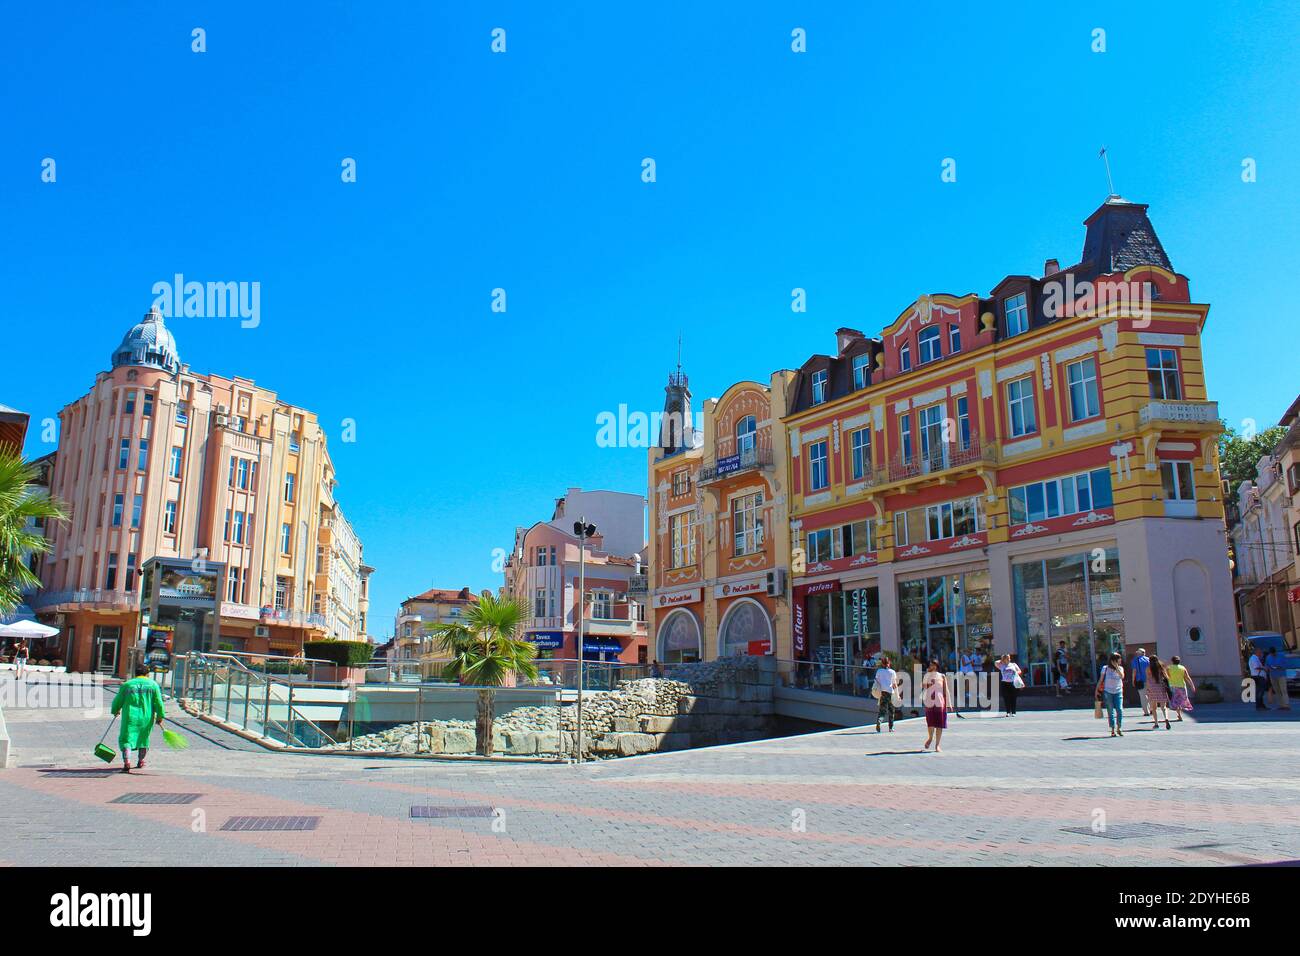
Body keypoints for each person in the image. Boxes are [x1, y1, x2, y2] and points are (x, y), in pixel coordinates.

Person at [110, 663, 166, 773]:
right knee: (143, 738)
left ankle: (127, 762)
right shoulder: (153, 685)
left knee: (127, 738)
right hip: (147, 717)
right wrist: (160, 716)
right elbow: (159, 703)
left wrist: (115, 710)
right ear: (147, 674)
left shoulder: (127, 685)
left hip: (130, 717)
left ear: (135, 673)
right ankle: (141, 761)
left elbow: (118, 700)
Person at [921, 659, 949, 752]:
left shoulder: (942, 676)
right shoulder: (927, 675)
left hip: (940, 702)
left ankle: (937, 745)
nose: (930, 666)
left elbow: (946, 690)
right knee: (930, 723)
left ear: (936, 666)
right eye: (930, 665)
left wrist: (949, 703)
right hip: (929, 702)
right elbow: (924, 686)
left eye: (932, 665)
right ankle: (930, 738)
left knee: (939, 725)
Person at [1095, 652, 1126, 737]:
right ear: (1113, 660)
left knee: (1119, 709)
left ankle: (1119, 728)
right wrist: (1096, 690)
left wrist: (1116, 667)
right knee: (1110, 710)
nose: (1120, 660)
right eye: (1118, 659)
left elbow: (1122, 676)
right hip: (1108, 691)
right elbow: (1101, 680)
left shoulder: (1120, 668)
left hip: (1118, 691)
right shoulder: (1105, 668)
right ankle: (1112, 729)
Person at [873, 655, 900, 733]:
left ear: (882, 663)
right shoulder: (892, 672)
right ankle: (891, 728)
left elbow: (876, 681)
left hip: (883, 692)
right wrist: (897, 695)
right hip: (890, 693)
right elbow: (894, 684)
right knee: (891, 710)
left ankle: (879, 721)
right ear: (889, 663)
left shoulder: (879, 671)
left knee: (882, 710)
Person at [1165, 655, 1195, 723]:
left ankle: (1179, 714)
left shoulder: (1169, 668)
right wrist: (1192, 685)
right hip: (1182, 686)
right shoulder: (1182, 668)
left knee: (1175, 701)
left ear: (1172, 661)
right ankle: (1179, 714)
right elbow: (1187, 677)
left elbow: (1166, 676)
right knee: (1181, 700)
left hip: (1173, 686)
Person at [1146, 656, 1172, 729]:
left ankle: (1156, 723)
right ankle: (1166, 719)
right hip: (1161, 687)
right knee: (1163, 707)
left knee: (1154, 708)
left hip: (1152, 688)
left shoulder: (1148, 668)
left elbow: (1147, 679)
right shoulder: (1161, 666)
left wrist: (1148, 689)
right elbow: (1166, 677)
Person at [1265, 647, 1292, 711]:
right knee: (1277, 690)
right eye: (1271, 654)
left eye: (1273, 653)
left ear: (1275, 652)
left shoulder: (1281, 656)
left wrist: (1280, 667)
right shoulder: (1268, 657)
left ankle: (1286, 705)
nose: (1272, 655)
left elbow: (1286, 664)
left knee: (1283, 690)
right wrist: (1267, 668)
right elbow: (1266, 665)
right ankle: (1281, 705)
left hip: (1281, 675)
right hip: (1273, 675)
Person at [1247, 646, 1269, 710]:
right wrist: (1264, 668)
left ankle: (1261, 705)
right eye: (1260, 652)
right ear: (1256, 652)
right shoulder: (1254, 658)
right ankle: (1259, 705)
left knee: (1260, 691)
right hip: (1258, 677)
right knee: (1260, 691)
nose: (1261, 653)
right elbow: (1256, 667)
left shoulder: (1255, 658)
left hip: (1258, 676)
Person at [1131, 647, 1151, 716]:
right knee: (1150, 695)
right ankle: (1152, 709)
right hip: (1149, 680)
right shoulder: (1148, 660)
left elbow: (1134, 671)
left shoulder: (1135, 660)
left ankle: (1146, 711)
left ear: (1139, 653)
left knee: (1143, 696)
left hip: (1140, 681)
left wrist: (1133, 680)